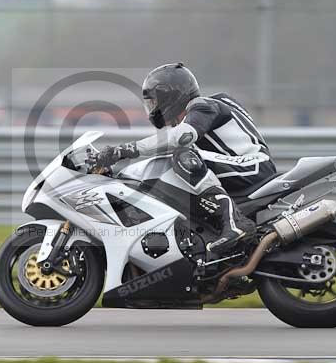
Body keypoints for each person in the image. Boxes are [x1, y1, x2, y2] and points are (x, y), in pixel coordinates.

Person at [93, 62, 276, 253]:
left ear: (170, 97)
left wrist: (124, 150)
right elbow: (166, 147)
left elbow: (180, 138)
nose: (153, 108)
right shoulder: (207, 108)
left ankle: (235, 222)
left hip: (253, 166)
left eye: (154, 101)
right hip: (242, 166)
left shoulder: (203, 106)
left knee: (182, 155)